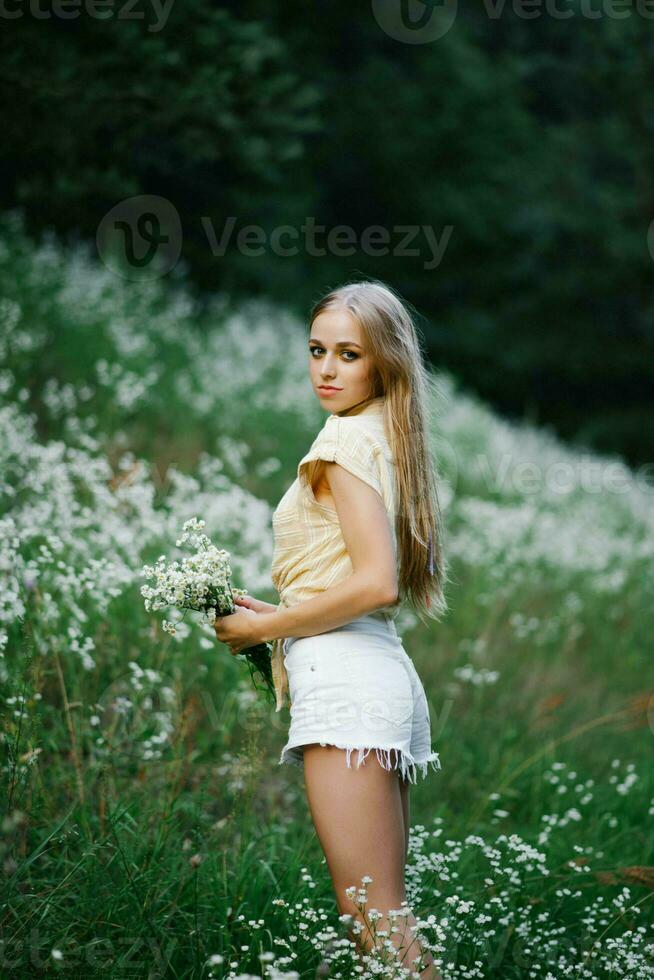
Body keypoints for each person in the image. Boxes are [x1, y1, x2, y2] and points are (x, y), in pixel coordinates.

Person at [214, 280, 448, 978]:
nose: (326, 368)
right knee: (384, 915)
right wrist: (277, 614)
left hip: (348, 686)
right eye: (318, 350)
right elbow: (350, 578)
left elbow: (377, 582)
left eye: (349, 354)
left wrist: (271, 628)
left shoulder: (345, 439)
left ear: (383, 363)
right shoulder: (388, 434)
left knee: (375, 920)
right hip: (375, 671)